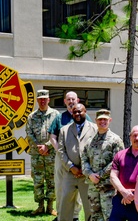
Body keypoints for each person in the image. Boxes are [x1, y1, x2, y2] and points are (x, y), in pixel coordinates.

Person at [49, 91, 92, 221]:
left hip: (84, 166)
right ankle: (62, 215)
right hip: (64, 160)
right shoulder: (59, 118)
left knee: (83, 195)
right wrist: (63, 156)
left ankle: (75, 216)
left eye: (73, 99)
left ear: (77, 100)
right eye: (68, 99)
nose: (71, 101)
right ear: (65, 101)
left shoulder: (87, 119)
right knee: (63, 189)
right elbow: (52, 137)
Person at [81, 109, 125, 221]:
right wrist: (90, 174)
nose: (102, 122)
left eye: (105, 119)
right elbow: (84, 159)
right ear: (96, 121)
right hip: (93, 187)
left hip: (108, 187)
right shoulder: (90, 141)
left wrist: (99, 175)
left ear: (110, 120)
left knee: (109, 216)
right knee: (95, 216)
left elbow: (117, 162)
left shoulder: (116, 140)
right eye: (100, 119)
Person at [57, 103, 97, 221]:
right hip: (70, 173)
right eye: (75, 112)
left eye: (80, 111)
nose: (77, 114)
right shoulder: (64, 130)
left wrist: (86, 169)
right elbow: (61, 151)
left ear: (85, 112)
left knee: (89, 205)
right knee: (65, 204)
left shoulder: (94, 129)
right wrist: (71, 167)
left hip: (87, 175)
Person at [25, 89, 59, 216]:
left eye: (45, 98)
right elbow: (29, 134)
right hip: (36, 154)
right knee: (37, 180)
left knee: (52, 180)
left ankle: (50, 207)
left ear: (49, 99)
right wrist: (39, 147)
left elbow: (59, 133)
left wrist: (47, 147)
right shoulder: (32, 116)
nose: (43, 101)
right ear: (37, 100)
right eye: (40, 99)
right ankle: (40, 206)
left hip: (51, 154)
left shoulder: (56, 115)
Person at [110, 125, 138, 220]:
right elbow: (113, 176)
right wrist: (124, 192)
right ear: (130, 137)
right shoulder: (120, 155)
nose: (137, 138)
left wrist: (134, 194)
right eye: (134, 135)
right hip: (120, 199)